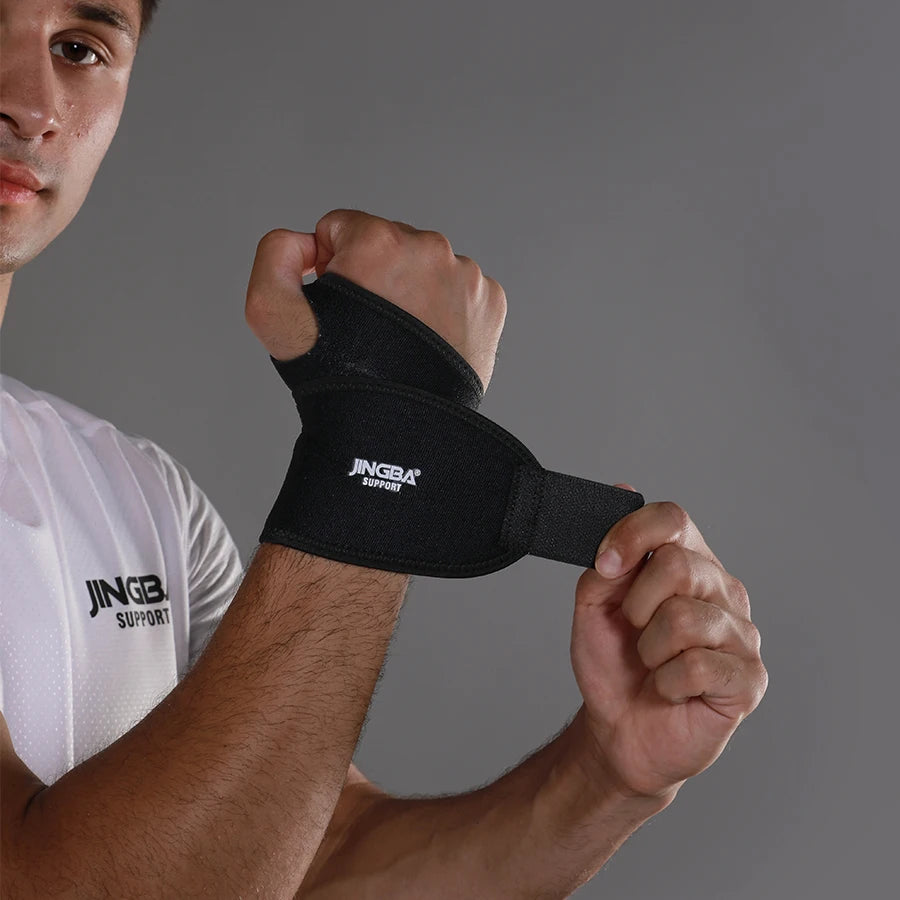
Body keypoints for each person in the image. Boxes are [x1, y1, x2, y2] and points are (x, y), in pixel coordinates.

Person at [0, 1, 768, 896]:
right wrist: (385, 442)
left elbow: (299, 862)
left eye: (79, 49)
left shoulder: (135, 493)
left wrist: (602, 780)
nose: (32, 104)